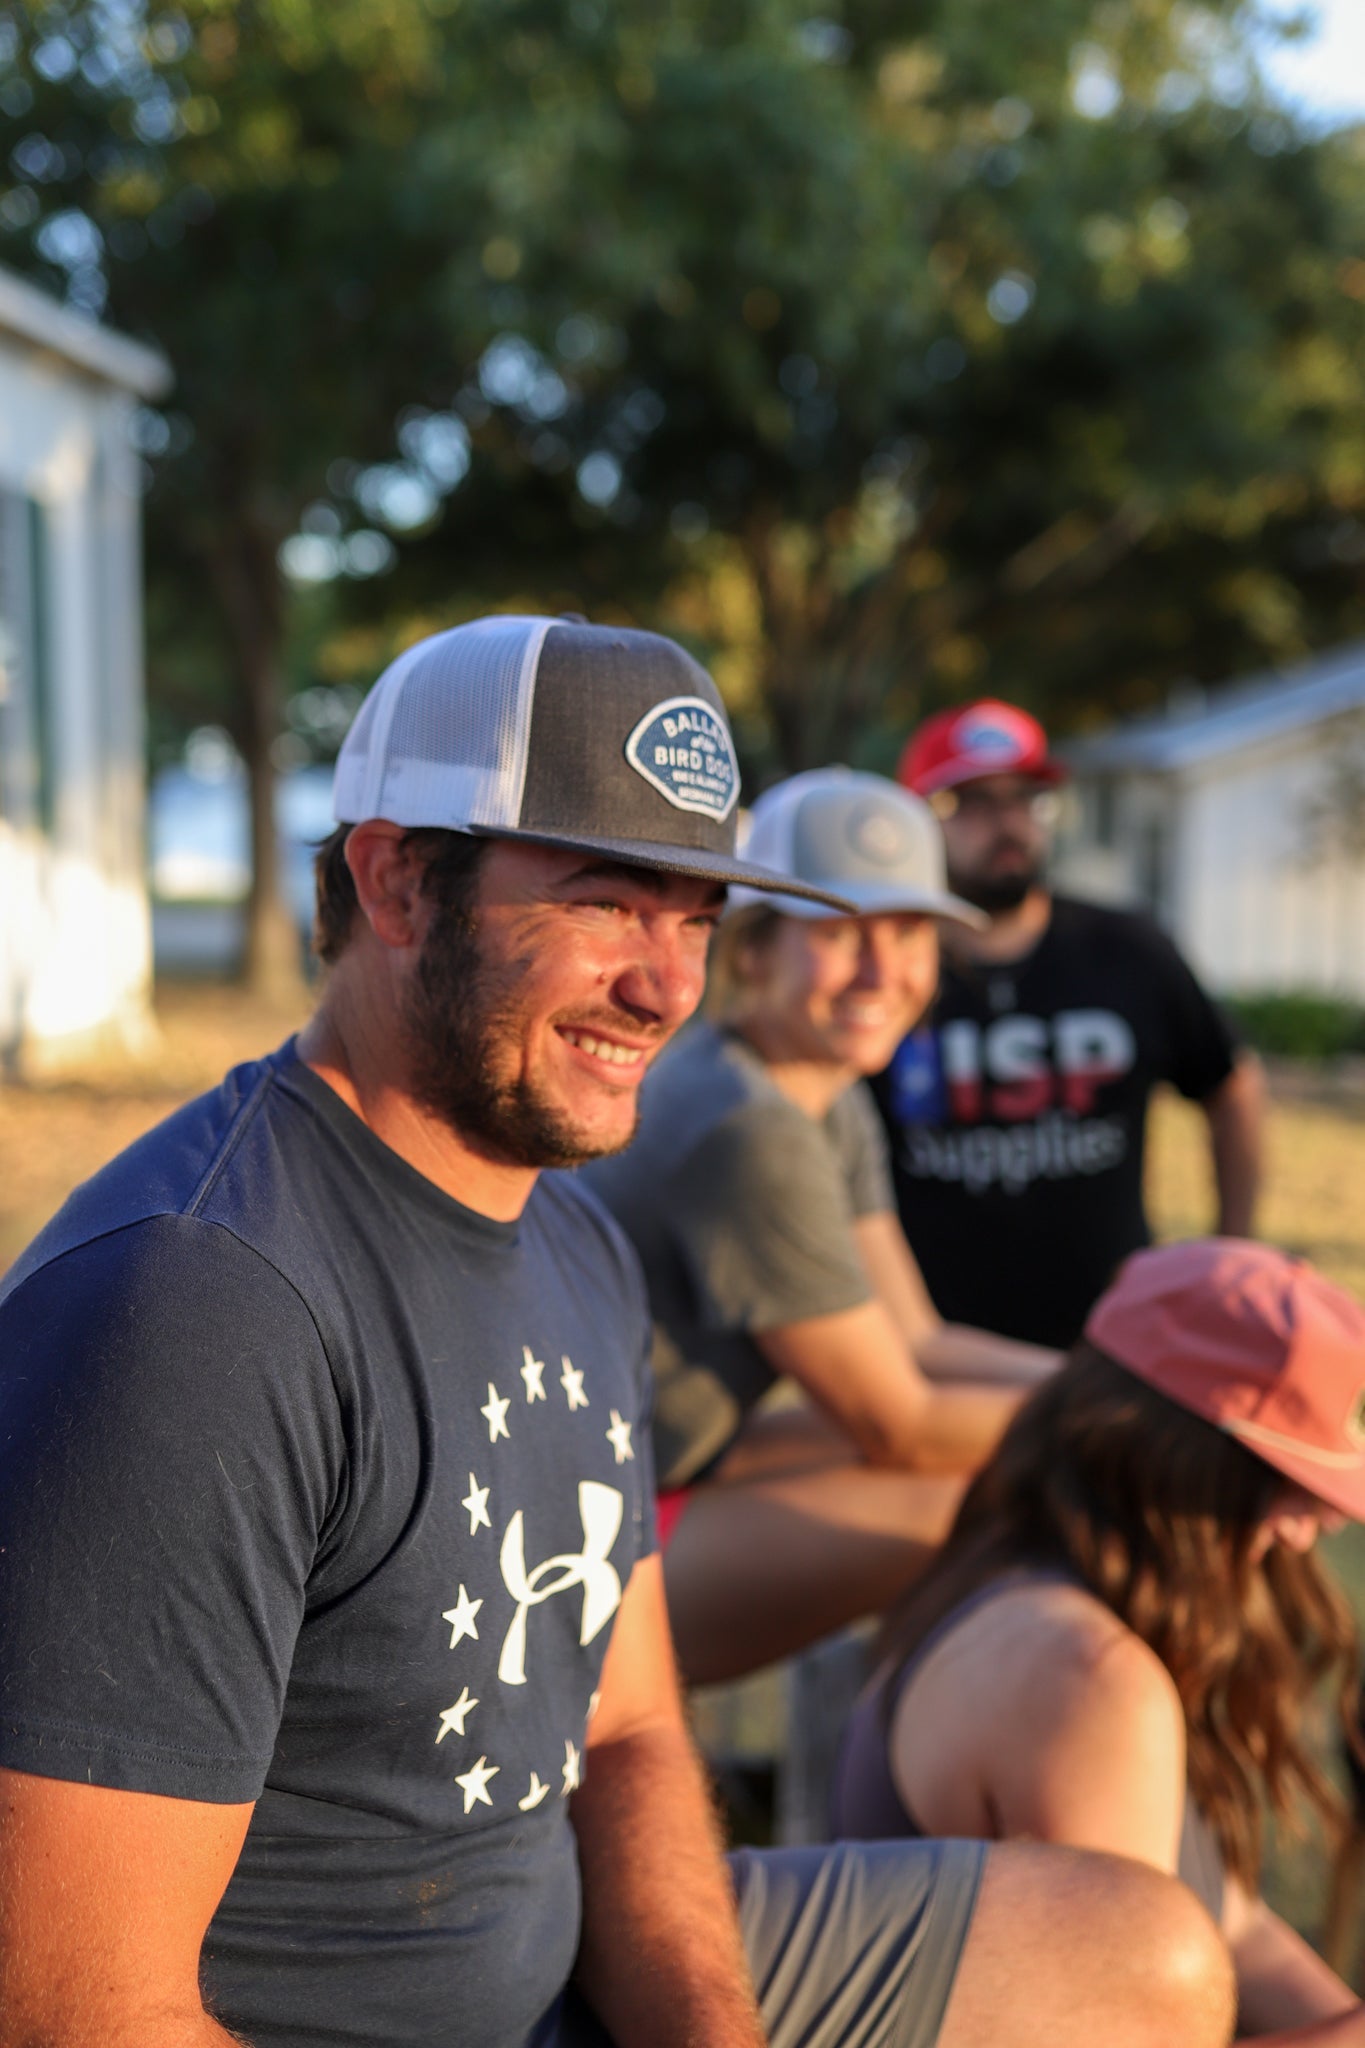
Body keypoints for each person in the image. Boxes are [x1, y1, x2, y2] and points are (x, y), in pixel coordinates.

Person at [0, 617, 1237, 2048]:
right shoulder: (194, 1306)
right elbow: (75, 2017)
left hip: (559, 1957)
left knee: (1144, 1952)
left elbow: (635, 1732)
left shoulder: (570, 1230)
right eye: (605, 902)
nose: (667, 986)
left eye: (697, 916)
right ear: (397, 880)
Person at [584, 767, 1058, 1685]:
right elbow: (900, 1424)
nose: (884, 972)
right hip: (583, 1533)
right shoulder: (746, 1126)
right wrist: (1143, 1423)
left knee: (1008, 1465)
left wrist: (1115, 1379)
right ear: (754, 950)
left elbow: (918, 1342)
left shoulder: (816, 1091)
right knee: (980, 1493)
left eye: (910, 929)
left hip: (673, 1471)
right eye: (840, 932)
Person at [833, 1236, 1365, 2046]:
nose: (1312, 1525)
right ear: (1177, 1462)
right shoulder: (1079, 1682)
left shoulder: (1025, 1570)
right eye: (1287, 1479)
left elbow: (1235, 1926)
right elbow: (1121, 2026)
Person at [870, 699, 1264, 1348]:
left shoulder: (1128, 950)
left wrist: (1231, 1252)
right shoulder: (876, 976)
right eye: (969, 802)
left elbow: (1229, 1084)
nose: (1007, 823)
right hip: (934, 1354)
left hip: (1113, 1344)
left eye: (1025, 799)